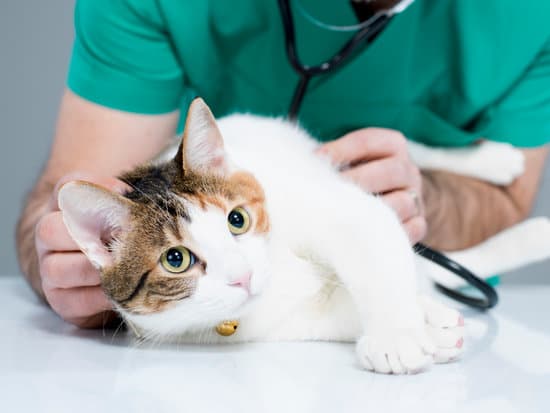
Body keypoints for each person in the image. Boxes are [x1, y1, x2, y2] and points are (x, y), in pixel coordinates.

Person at [16, 0, 550, 328]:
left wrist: (423, 202)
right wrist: (66, 265)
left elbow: (508, 201)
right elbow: (65, 198)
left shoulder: (530, 15)